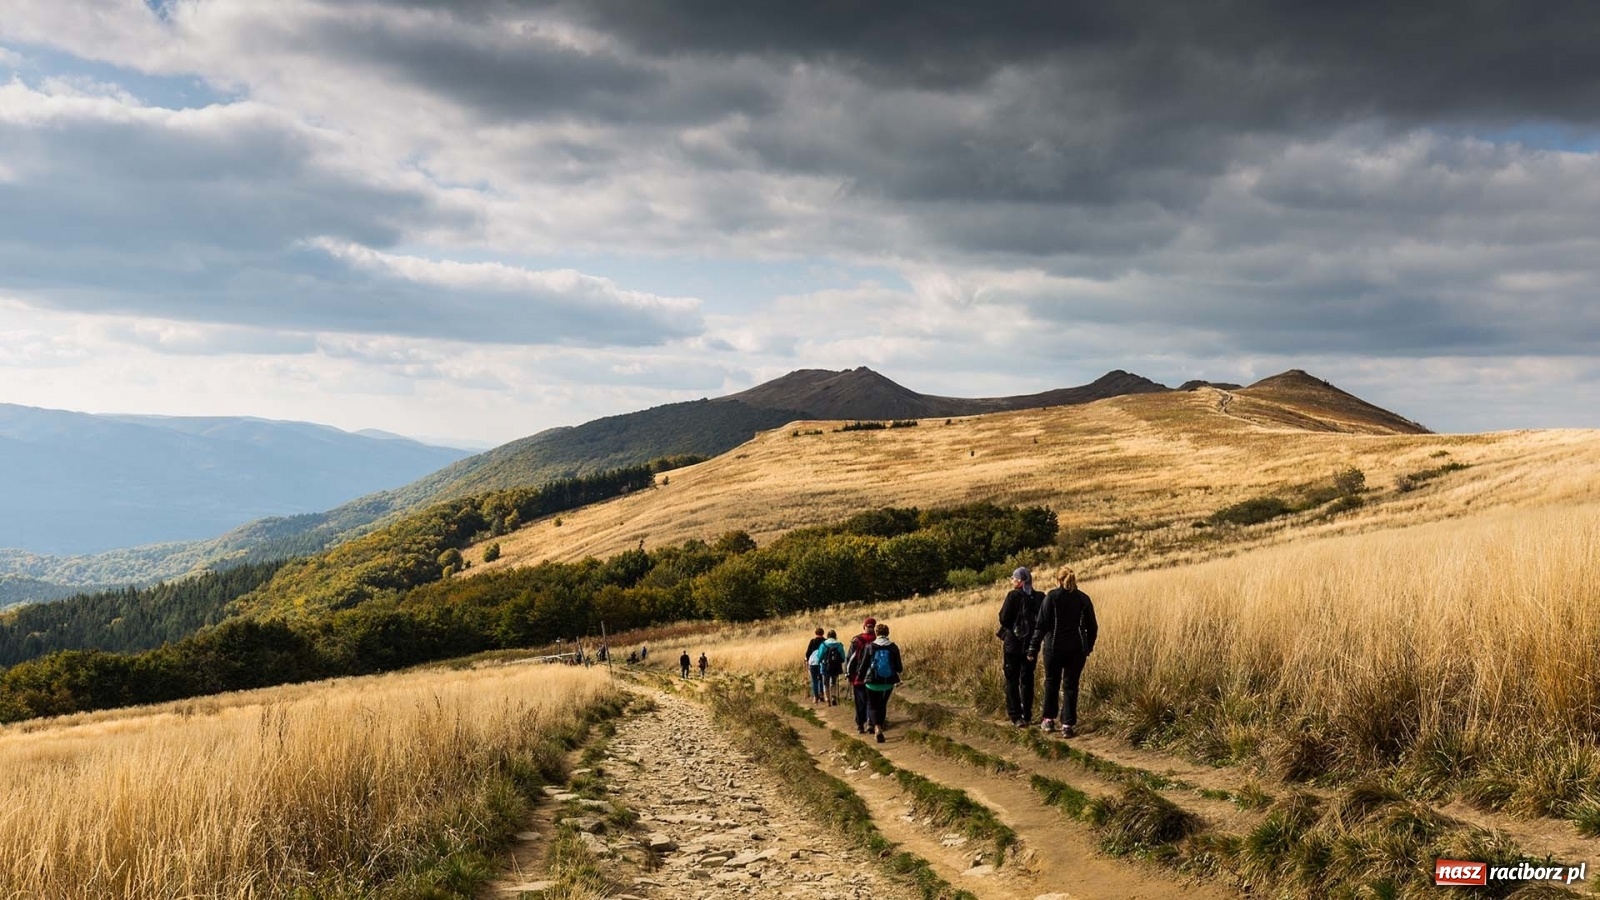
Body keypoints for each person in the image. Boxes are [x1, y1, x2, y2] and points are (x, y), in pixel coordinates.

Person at [1029, 566, 1098, 737]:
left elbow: (1041, 625)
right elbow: (1092, 627)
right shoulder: (1083, 599)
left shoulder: (1052, 597)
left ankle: (1048, 719)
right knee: (1071, 685)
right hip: (1076, 649)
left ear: (1058, 580)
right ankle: (1067, 724)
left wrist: (1033, 647)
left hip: (1053, 648)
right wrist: (1088, 646)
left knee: (1051, 682)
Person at [998, 566, 1043, 727]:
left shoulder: (1012, 596)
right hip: (1031, 644)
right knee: (1028, 679)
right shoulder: (1039, 597)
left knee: (1012, 680)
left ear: (1020, 581)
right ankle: (1027, 714)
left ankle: (1016, 716)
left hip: (1013, 644)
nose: (1012, 581)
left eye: (1013, 578)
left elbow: (1003, 618)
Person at [852, 622, 903, 743]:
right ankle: (880, 725)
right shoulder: (893, 647)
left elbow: (863, 666)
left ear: (876, 633)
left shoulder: (870, 646)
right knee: (882, 705)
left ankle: (877, 728)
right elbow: (899, 668)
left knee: (873, 705)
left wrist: (859, 678)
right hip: (888, 682)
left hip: (872, 682)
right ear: (888, 633)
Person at [845, 617, 878, 734]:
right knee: (871, 701)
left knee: (859, 702)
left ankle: (860, 725)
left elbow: (850, 659)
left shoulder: (857, 640)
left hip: (858, 677)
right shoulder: (877, 640)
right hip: (874, 677)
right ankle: (870, 722)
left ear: (864, 626)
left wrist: (848, 674)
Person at [811, 629, 847, 706]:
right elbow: (843, 657)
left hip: (825, 666)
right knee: (833, 682)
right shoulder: (839, 645)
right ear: (835, 636)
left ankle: (827, 699)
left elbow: (819, 657)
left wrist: (820, 662)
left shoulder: (823, 645)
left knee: (825, 683)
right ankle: (833, 697)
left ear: (827, 636)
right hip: (836, 667)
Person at [805, 627, 827, 703]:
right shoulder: (825, 641)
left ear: (816, 633)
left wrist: (807, 660)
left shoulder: (812, 641)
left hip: (813, 663)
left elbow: (808, 653)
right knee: (822, 679)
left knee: (814, 680)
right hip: (822, 662)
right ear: (823, 633)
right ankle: (822, 694)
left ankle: (815, 697)